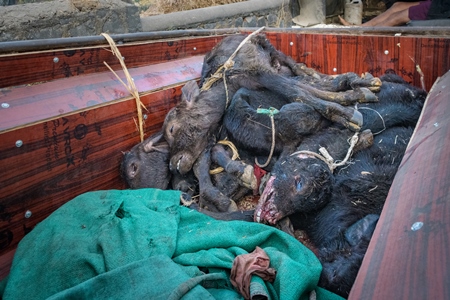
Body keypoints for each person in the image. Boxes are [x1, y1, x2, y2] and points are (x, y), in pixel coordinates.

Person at [339, 0, 432, 26]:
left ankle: (368, 34)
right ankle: (361, 28)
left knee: (397, 17)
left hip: (444, 8)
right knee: (397, 6)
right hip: (437, 2)